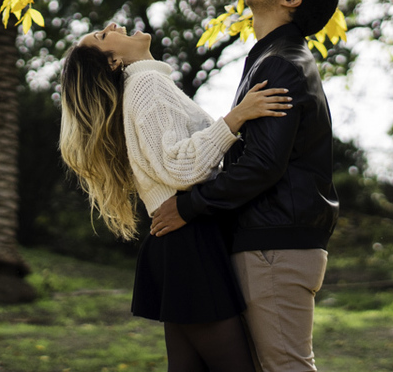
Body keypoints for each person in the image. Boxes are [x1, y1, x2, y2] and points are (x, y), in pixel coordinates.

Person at [59, 22, 293, 372]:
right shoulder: (146, 84)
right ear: (113, 62)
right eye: (103, 36)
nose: (112, 26)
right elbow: (180, 167)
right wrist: (237, 117)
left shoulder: (147, 84)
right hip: (190, 244)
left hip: (181, 242)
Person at [150, 0, 340, 372]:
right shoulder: (273, 57)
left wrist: (189, 206)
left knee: (285, 366)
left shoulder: (280, 63)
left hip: (276, 244)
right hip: (272, 240)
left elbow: (263, 163)